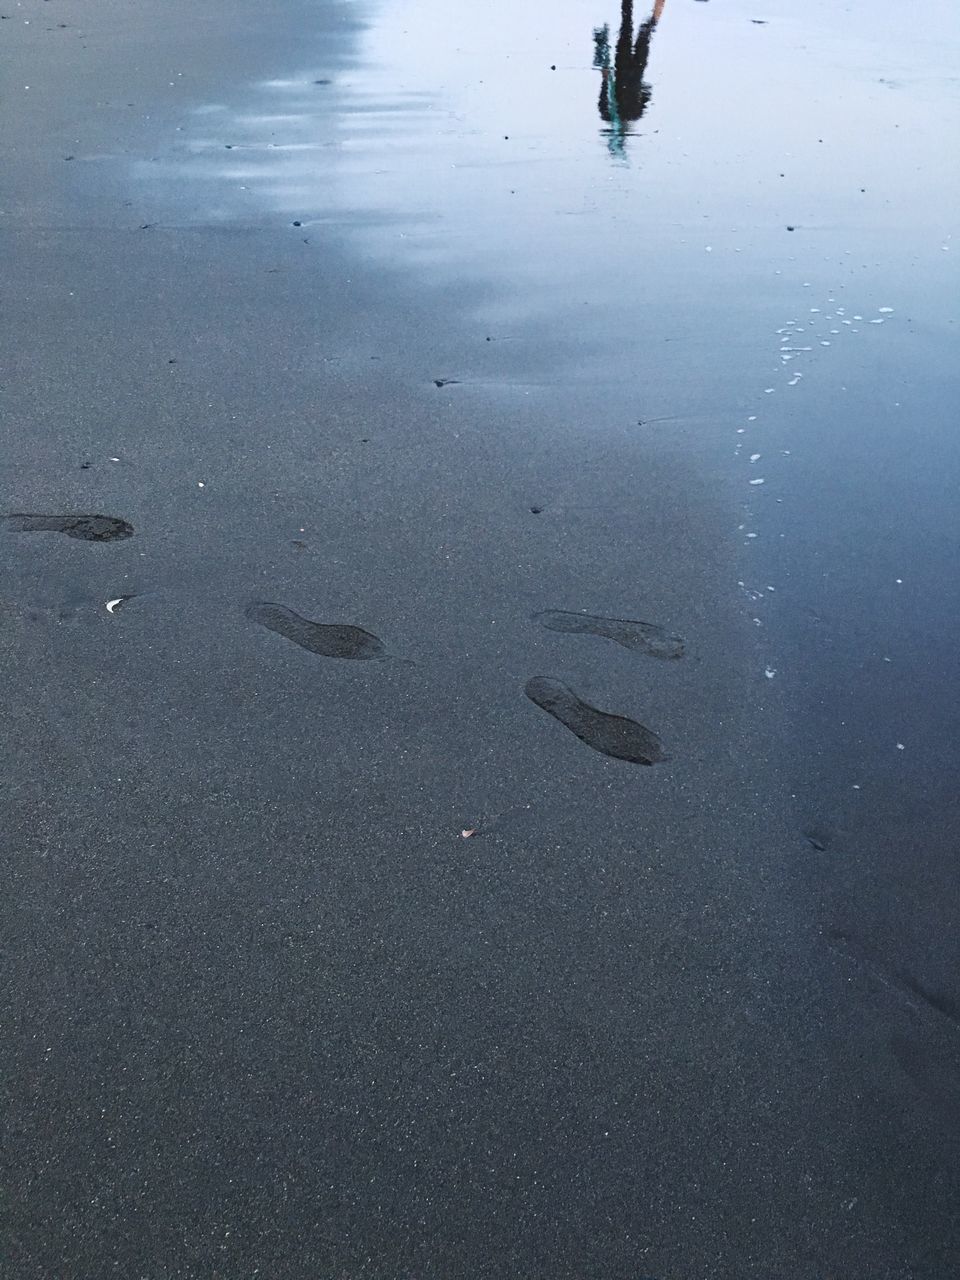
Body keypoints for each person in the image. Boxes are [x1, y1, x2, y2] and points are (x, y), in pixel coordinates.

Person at [593, 0, 667, 154]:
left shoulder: (632, 113)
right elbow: (604, 85)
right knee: (628, 26)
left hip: (635, 69)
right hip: (623, 66)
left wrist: (639, 88)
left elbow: (647, 93)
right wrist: (605, 76)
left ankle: (655, 11)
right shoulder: (608, 113)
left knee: (642, 32)